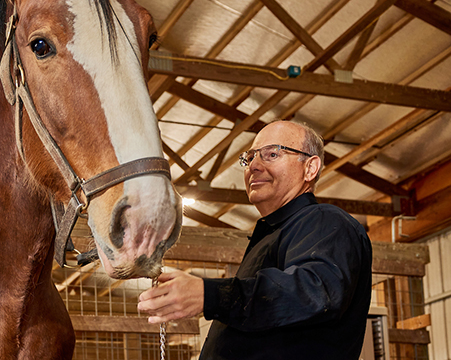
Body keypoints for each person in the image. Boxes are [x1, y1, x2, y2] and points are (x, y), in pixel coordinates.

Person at [138, 120, 372, 359]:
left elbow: (314, 294)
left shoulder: (325, 222)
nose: (254, 166)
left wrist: (210, 295)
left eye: (272, 154)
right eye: (249, 159)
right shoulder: (271, 235)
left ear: (310, 168)